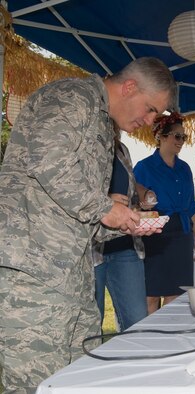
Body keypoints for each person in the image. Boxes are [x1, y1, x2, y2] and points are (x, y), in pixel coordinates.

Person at [0, 57, 176, 393]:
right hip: (33, 274)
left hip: (71, 277)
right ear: (129, 87)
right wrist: (105, 207)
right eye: (152, 109)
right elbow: (48, 160)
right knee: (35, 384)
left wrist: (125, 225)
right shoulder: (72, 96)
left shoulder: (102, 125)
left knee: (79, 380)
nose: (150, 121)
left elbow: (82, 214)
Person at [134, 112, 195, 315]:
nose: (181, 141)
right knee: (150, 294)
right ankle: (149, 340)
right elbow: (134, 203)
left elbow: (191, 208)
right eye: (176, 136)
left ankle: (169, 340)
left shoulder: (185, 169)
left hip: (182, 235)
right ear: (161, 136)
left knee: (176, 294)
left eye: (184, 137)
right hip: (155, 237)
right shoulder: (144, 167)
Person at [93, 136, 157, 332]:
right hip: (91, 251)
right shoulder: (86, 143)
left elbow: (131, 188)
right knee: (92, 324)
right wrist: (105, 202)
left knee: (137, 321)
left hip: (126, 245)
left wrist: (144, 195)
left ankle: (134, 362)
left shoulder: (122, 150)